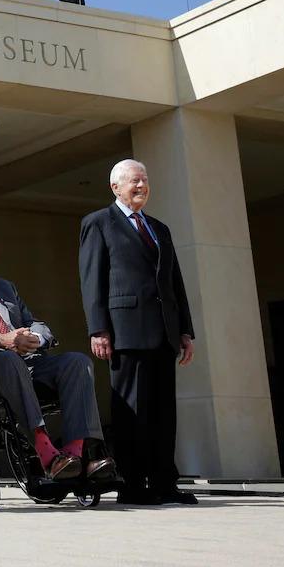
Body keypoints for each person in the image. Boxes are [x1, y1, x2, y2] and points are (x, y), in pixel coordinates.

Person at [0, 224, 118, 483]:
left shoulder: (4, 287)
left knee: (77, 361)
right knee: (7, 359)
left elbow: (33, 322)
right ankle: (46, 452)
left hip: (26, 362)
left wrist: (35, 338)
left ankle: (78, 454)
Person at [79, 159, 196, 505]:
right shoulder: (99, 223)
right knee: (132, 409)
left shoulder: (159, 228)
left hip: (163, 331)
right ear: (115, 187)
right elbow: (92, 279)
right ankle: (132, 482)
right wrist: (99, 328)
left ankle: (163, 481)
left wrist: (185, 331)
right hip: (124, 329)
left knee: (163, 410)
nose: (141, 186)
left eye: (145, 180)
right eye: (134, 181)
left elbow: (175, 282)